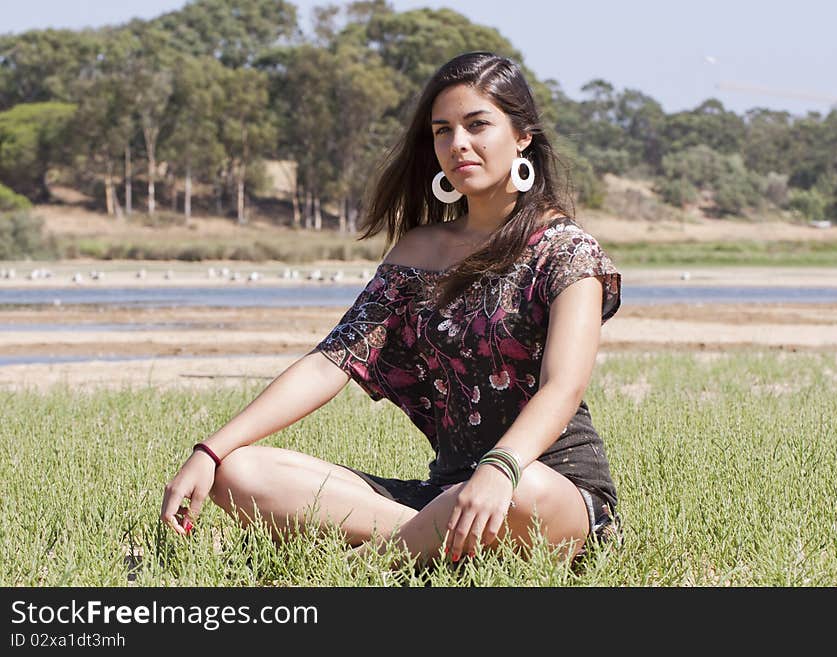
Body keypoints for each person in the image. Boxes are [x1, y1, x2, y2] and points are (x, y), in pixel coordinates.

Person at [160, 51, 621, 568]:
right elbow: (331, 360)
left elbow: (564, 386)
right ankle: (426, 543)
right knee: (240, 474)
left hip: (545, 490)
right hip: (444, 495)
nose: (458, 144)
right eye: (442, 130)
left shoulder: (566, 250)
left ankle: (372, 566)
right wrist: (212, 450)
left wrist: (499, 469)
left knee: (519, 492)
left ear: (522, 136)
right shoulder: (418, 252)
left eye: (477, 125)